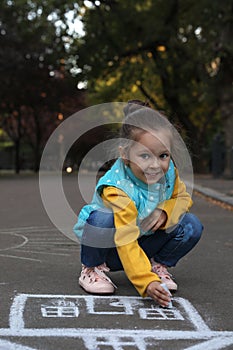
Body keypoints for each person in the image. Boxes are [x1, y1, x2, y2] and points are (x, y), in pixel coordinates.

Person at [73, 100, 203, 308]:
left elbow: (182, 198)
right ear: (125, 154)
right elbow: (125, 238)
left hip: (143, 239)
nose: (154, 165)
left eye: (163, 155)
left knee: (191, 224)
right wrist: (146, 282)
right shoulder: (117, 187)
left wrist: (165, 212)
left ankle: (156, 265)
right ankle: (91, 267)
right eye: (144, 155)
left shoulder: (169, 173)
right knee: (102, 219)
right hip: (111, 248)